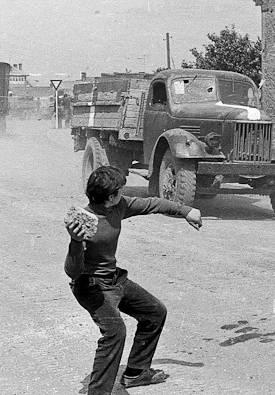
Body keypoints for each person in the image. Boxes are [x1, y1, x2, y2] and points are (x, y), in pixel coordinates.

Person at [64, 165, 202, 394]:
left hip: (114, 279)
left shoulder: (119, 206)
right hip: (90, 287)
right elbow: (73, 272)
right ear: (110, 196)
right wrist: (75, 243)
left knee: (155, 312)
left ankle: (137, 372)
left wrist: (185, 210)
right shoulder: (84, 223)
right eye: (120, 190)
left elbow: (153, 204)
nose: (123, 194)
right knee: (115, 332)